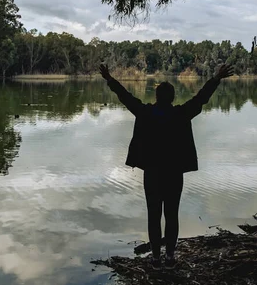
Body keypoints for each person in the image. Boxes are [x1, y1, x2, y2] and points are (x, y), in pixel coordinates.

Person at [99, 62, 234, 269]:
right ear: (172, 98)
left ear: (156, 97)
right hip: (173, 174)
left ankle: (155, 258)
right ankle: (170, 257)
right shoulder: (181, 114)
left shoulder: (145, 113)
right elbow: (201, 98)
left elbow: (125, 97)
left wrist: (109, 79)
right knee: (172, 215)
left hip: (152, 174)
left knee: (154, 215)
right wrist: (216, 78)